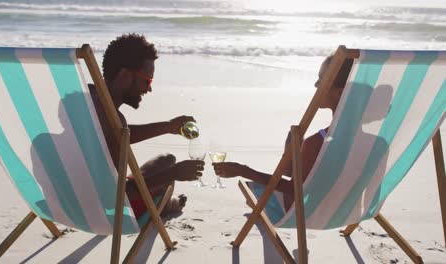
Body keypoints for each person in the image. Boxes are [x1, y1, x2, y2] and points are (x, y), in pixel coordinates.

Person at [212, 55, 353, 210]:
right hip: (349, 208)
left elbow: (294, 190)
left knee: (253, 191)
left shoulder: (318, 142)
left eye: (322, 80)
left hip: (309, 211)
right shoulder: (375, 142)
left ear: (340, 93)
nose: (315, 84)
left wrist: (242, 170)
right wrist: (295, 156)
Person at [89, 33, 204, 217]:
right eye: (147, 80)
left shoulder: (85, 101)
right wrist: (174, 174)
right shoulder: (112, 118)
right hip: (106, 211)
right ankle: (167, 205)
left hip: (66, 199)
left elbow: (113, 135)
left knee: (165, 160)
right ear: (125, 75)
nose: (149, 88)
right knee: (168, 173)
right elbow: (119, 196)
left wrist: (168, 126)